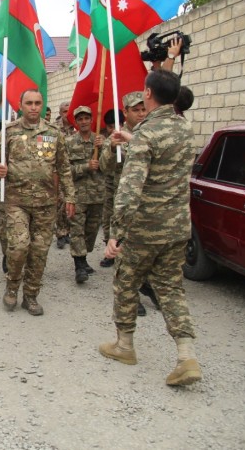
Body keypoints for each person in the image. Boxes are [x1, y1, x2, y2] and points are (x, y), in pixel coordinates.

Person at [100, 69, 202, 386]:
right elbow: (163, 159)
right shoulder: (185, 129)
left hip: (146, 227)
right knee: (170, 287)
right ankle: (186, 356)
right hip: (178, 225)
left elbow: (130, 190)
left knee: (126, 281)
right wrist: (134, 141)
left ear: (147, 93)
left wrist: (116, 232)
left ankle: (124, 345)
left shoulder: (147, 134)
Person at [0, 90, 75, 315]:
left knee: (39, 251)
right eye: (29, 103)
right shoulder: (8, 132)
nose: (33, 107)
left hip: (46, 203)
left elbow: (64, 167)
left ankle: (31, 295)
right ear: (20, 105)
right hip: (15, 200)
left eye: (38, 103)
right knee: (19, 247)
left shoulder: (53, 132)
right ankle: (11, 287)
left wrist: (69, 196)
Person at [99, 92, 154, 315]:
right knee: (124, 251)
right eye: (136, 110)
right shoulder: (119, 136)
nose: (141, 114)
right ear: (126, 113)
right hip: (125, 204)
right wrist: (112, 148)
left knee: (148, 251)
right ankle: (132, 296)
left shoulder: (152, 133)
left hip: (150, 203)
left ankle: (147, 285)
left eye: (143, 109)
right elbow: (104, 167)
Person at [66, 106, 105, 284]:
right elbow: (65, 170)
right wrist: (85, 167)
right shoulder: (69, 142)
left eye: (86, 118)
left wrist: (104, 149)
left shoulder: (100, 141)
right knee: (77, 230)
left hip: (97, 193)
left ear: (91, 120)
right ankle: (79, 266)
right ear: (76, 122)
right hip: (77, 194)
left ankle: (84, 257)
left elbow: (110, 166)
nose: (83, 122)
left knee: (91, 230)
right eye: (80, 119)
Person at [98, 109, 124, 268]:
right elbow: (104, 166)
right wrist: (113, 149)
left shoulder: (136, 137)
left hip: (128, 191)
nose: (114, 128)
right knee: (109, 220)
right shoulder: (111, 141)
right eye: (110, 126)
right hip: (111, 189)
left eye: (118, 125)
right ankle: (110, 251)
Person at [54, 101, 74, 249]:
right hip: (60, 170)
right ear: (60, 113)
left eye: (70, 110)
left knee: (72, 202)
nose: (68, 114)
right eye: (65, 111)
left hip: (76, 169)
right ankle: (61, 233)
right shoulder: (55, 129)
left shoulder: (77, 127)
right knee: (61, 203)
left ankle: (69, 230)